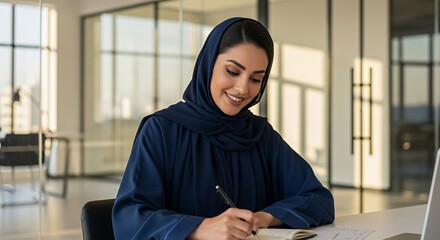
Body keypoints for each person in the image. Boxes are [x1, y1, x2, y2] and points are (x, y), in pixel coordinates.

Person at [112, 17, 335, 240]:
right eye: (232, 71)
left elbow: (318, 198)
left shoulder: (260, 135)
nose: (242, 89)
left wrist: (266, 217)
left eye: (256, 79)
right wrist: (199, 229)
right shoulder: (162, 131)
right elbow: (130, 218)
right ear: (208, 65)